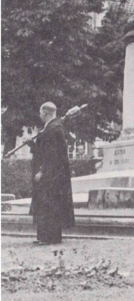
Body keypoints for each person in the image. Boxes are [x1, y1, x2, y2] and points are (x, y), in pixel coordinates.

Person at [30, 102, 75, 245]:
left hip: (51, 174)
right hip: (53, 173)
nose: (40, 116)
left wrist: (42, 171)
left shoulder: (54, 128)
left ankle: (50, 237)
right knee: (47, 204)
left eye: (41, 113)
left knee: (49, 205)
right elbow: (44, 149)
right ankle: (44, 236)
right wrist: (32, 145)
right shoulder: (52, 127)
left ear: (45, 112)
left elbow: (52, 155)